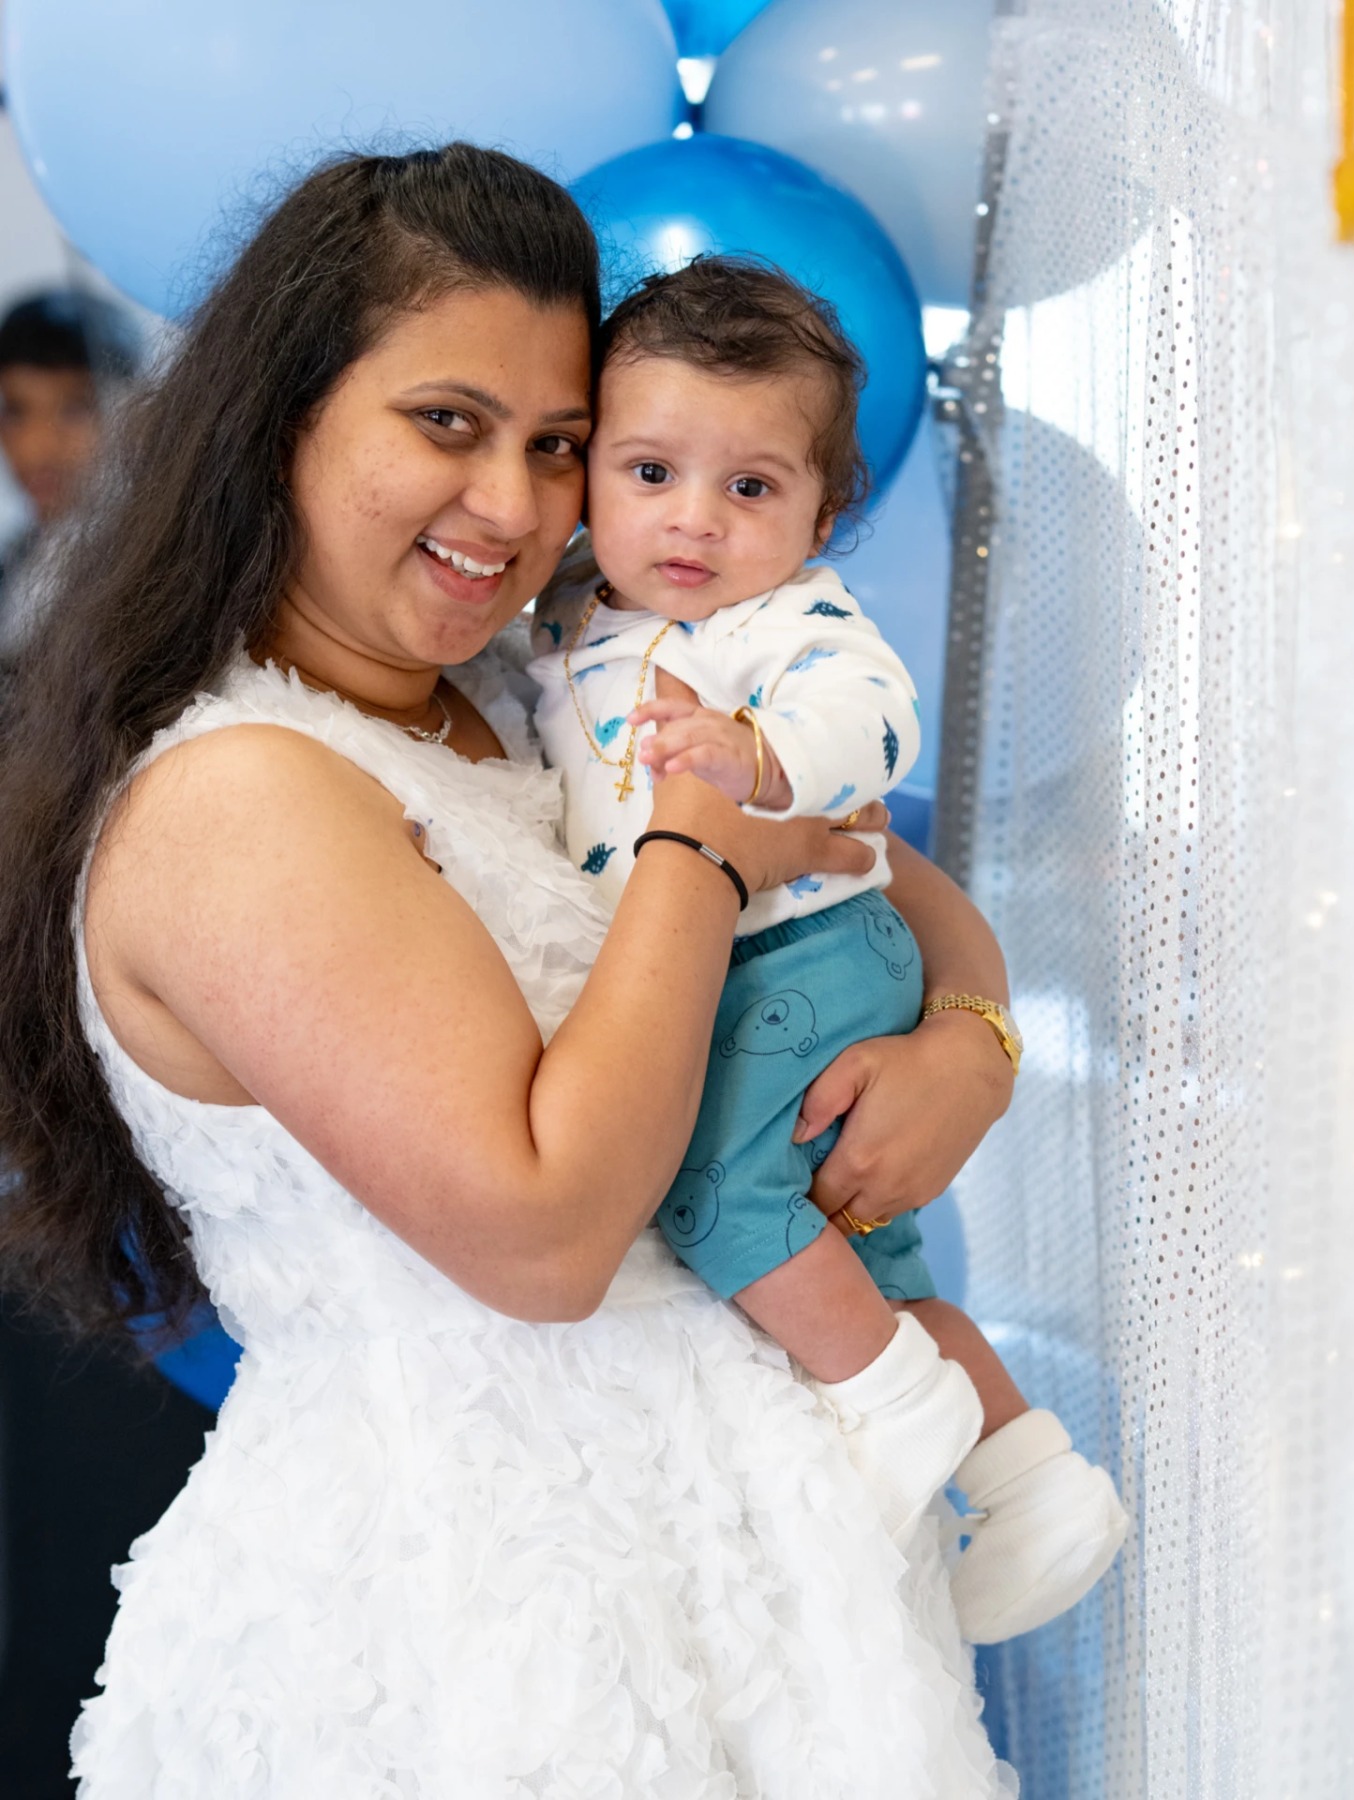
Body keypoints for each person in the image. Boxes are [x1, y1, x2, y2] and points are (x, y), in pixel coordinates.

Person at [0, 145, 1020, 1797]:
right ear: (285, 416)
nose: (517, 508)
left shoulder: (522, 691)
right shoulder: (240, 794)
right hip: (479, 1637)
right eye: (448, 425)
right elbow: (545, 1232)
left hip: (752, 1571)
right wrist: (699, 835)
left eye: (558, 447)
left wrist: (971, 1040)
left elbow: (869, 863)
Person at [530, 256, 1127, 1641]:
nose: (693, 521)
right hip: (788, 963)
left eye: (751, 489)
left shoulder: (784, 625)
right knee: (875, 1256)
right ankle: (1032, 1479)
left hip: (787, 963)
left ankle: (885, 1401)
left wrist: (757, 756)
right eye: (651, 471)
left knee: (701, 1183)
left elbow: (878, 720)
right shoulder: (574, 615)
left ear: (821, 513)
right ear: (592, 475)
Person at [0, 289, 141, 654]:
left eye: (75, 409)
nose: (38, 447)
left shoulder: (145, 570)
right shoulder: (13, 561)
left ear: (135, 417)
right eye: (15, 412)